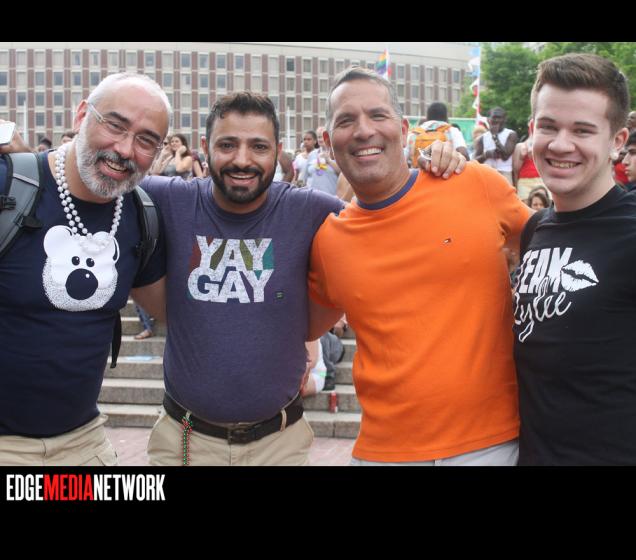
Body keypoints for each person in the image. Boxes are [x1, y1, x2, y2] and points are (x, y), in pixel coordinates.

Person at [136, 93, 467, 467]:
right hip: (183, 443)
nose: (242, 159)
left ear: (278, 151)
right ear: (205, 146)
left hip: (280, 446)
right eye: (227, 145)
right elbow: (102, 181)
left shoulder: (311, 210)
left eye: (258, 146)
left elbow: (392, 219)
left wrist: (436, 169)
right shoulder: (167, 198)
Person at [307, 67, 531, 466]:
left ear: (403, 129)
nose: (363, 131)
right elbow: (303, 325)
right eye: (346, 120)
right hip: (384, 453)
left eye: (378, 115)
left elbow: (555, 251)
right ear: (327, 142)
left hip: (493, 445)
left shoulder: (473, 184)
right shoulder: (328, 242)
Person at [0, 73, 169, 466]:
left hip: (83, 445)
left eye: (146, 140)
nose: (124, 149)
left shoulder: (141, 215)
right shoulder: (9, 184)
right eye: (115, 125)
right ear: (81, 115)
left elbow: (173, 310)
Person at [513, 53, 634, 465]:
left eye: (582, 130)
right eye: (549, 126)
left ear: (617, 141)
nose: (561, 144)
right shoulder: (534, 230)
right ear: (532, 130)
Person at [407, 102, 469, 166]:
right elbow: (464, 153)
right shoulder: (452, 131)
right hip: (446, 172)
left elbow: (405, 158)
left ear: (427, 116)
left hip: (418, 171)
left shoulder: (415, 133)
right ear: (446, 116)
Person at [473, 107, 518, 184]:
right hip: (487, 173)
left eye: (499, 118)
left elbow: (505, 156)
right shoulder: (482, 138)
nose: (496, 120)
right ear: (488, 119)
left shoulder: (511, 134)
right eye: (494, 117)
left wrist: (495, 136)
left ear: (505, 119)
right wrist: (486, 155)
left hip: (504, 173)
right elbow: (475, 161)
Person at [300, 125, 341, 195]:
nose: (321, 139)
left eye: (322, 137)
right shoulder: (312, 154)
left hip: (331, 197)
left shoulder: (336, 154)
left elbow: (342, 173)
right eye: (319, 137)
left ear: (328, 138)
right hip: (313, 197)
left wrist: (329, 161)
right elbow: (304, 177)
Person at [512, 121, 545, 200]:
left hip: (541, 179)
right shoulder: (520, 146)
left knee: (544, 204)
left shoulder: (545, 145)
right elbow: (515, 170)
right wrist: (521, 157)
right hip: (524, 181)